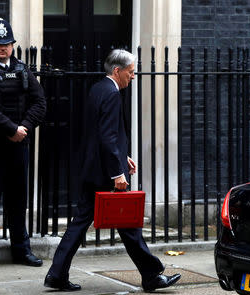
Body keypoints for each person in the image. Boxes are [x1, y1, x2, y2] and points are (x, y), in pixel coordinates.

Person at [44, 49, 181, 292]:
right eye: (130, 72)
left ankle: (57, 273)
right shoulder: (111, 94)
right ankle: (151, 275)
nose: (133, 76)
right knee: (128, 223)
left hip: (94, 167)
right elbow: (107, 137)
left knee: (83, 223)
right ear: (117, 71)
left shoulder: (98, 89)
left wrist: (123, 156)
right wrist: (117, 172)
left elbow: (102, 134)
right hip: (105, 172)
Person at [0, 18, 46, 271]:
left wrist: (23, 127)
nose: (2, 48)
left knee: (17, 200)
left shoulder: (24, 70)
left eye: (6, 44)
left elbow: (40, 103)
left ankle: (21, 250)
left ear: (13, 45)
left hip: (17, 146)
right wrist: (12, 129)